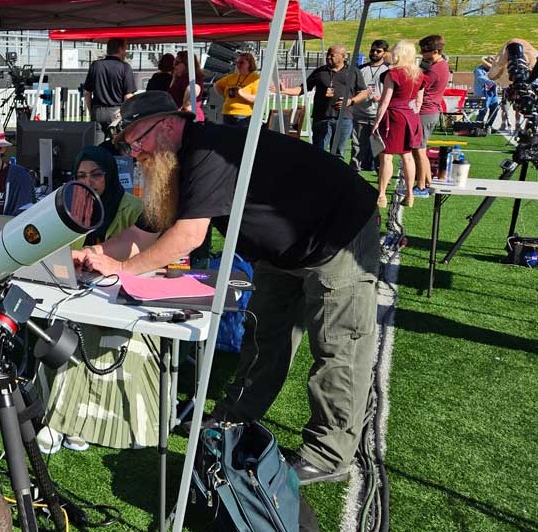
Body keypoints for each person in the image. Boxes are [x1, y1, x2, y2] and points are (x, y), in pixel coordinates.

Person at [74, 91, 379, 486]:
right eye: (129, 144)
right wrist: (95, 253)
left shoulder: (208, 151)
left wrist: (121, 271)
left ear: (167, 124)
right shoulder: (171, 159)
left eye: (138, 139)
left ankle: (329, 454)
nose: (134, 152)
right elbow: (145, 230)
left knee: (338, 348)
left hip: (337, 236)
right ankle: (234, 417)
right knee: (264, 337)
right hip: (281, 252)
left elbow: (186, 236)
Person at [39, 146, 157, 454]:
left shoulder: (133, 208)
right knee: (61, 325)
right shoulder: (73, 205)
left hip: (122, 297)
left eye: (96, 175)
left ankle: (70, 424)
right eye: (81, 176)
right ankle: (65, 421)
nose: (89, 182)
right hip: (78, 292)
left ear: (111, 175)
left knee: (86, 334)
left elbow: (146, 258)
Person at [282, 45, 369, 160]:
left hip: (344, 119)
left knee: (338, 153)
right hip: (321, 118)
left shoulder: (353, 72)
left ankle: (334, 177)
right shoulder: (320, 71)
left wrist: (351, 101)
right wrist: (285, 90)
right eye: (327, 54)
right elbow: (303, 89)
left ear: (343, 57)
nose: (328, 57)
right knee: (318, 151)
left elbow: (364, 92)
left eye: (332, 55)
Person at [372, 40, 424, 209]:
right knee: (407, 156)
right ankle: (409, 194)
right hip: (411, 116)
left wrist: (377, 121)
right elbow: (419, 102)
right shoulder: (420, 75)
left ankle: (381, 194)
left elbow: (385, 100)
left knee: (386, 155)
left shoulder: (392, 73)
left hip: (394, 116)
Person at [82, 38, 137, 143]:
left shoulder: (96, 65)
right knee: (117, 146)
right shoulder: (125, 67)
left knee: (97, 148)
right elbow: (128, 96)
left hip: (98, 111)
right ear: (120, 49)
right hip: (116, 113)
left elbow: (86, 93)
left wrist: (92, 112)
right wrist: (124, 113)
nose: (125, 52)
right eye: (125, 49)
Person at [414, 34, 449, 196]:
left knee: (419, 150)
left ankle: (421, 185)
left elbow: (417, 86)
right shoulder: (439, 66)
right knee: (420, 148)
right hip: (430, 111)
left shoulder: (435, 70)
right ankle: (427, 181)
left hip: (426, 112)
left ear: (435, 51)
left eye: (424, 51)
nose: (422, 54)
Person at [351, 40, 390, 171]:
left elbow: (394, 92)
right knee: (357, 147)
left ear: (384, 53)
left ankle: (382, 174)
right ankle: (354, 171)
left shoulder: (389, 70)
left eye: (378, 51)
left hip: (378, 116)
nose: (374, 53)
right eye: (372, 50)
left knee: (379, 147)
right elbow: (353, 88)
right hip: (360, 113)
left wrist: (382, 97)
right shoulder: (361, 69)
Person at [213, 52, 261, 127]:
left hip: (244, 116)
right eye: (237, 62)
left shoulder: (255, 78)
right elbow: (216, 85)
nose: (238, 65)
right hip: (227, 113)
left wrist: (240, 93)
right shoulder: (232, 76)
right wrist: (225, 96)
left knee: (241, 138)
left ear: (250, 64)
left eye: (242, 62)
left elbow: (257, 99)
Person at [168, 51, 207, 121]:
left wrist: (186, 104)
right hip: (182, 116)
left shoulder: (191, 78)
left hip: (188, 116)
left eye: (176, 63)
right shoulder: (181, 77)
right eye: (174, 63)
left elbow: (194, 88)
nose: (174, 66)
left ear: (186, 64)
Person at [474, 56, 501, 130]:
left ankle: (489, 126)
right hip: (483, 93)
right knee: (483, 110)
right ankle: (478, 125)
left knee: (494, 109)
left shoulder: (493, 70)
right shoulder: (478, 70)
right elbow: (483, 79)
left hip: (492, 93)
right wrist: (494, 82)